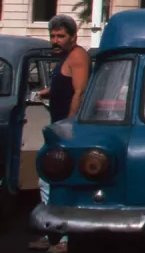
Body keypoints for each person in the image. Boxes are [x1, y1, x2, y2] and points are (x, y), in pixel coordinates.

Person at [30, 15, 90, 253]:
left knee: (55, 181)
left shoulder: (77, 56)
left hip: (66, 131)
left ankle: (63, 238)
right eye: (53, 36)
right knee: (48, 181)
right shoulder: (64, 58)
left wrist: (69, 126)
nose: (55, 40)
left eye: (61, 36)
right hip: (58, 128)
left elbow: (79, 92)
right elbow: (62, 87)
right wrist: (44, 93)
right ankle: (52, 234)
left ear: (73, 37)